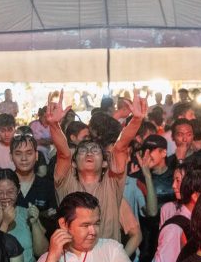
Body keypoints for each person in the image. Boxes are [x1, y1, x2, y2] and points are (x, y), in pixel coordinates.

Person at [54, 91, 144, 242]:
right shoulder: (66, 182)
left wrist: (136, 120)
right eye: (83, 150)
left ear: (104, 162)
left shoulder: (112, 182)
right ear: (74, 163)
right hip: (72, 254)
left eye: (95, 150)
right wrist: (53, 125)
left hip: (107, 256)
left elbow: (121, 147)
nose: (89, 153)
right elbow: (63, 154)